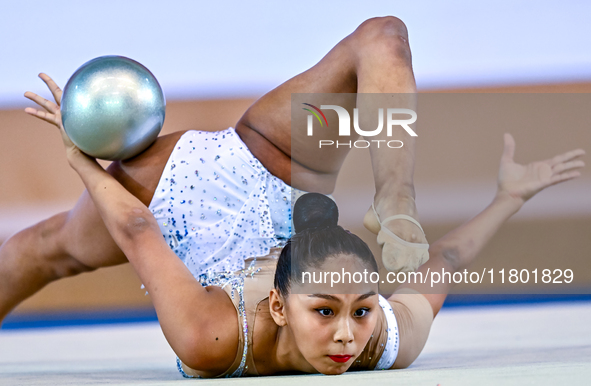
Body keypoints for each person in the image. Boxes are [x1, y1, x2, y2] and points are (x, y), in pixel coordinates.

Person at [6, 97, 586, 378]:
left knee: (386, 34)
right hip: (190, 186)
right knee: (37, 252)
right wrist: (79, 156)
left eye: (362, 311)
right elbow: (136, 226)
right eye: (327, 311)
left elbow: (448, 259)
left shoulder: (377, 335)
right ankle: (391, 196)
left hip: (239, 216)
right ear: (278, 306)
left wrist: (509, 197)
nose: (346, 335)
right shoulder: (217, 336)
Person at [0, 16, 429, 323]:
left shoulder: (213, 347)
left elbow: (135, 226)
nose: (344, 342)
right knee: (383, 35)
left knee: (47, 247)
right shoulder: (375, 339)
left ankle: (395, 198)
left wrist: (82, 156)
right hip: (275, 160)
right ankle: (396, 198)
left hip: (173, 188)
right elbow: (436, 278)